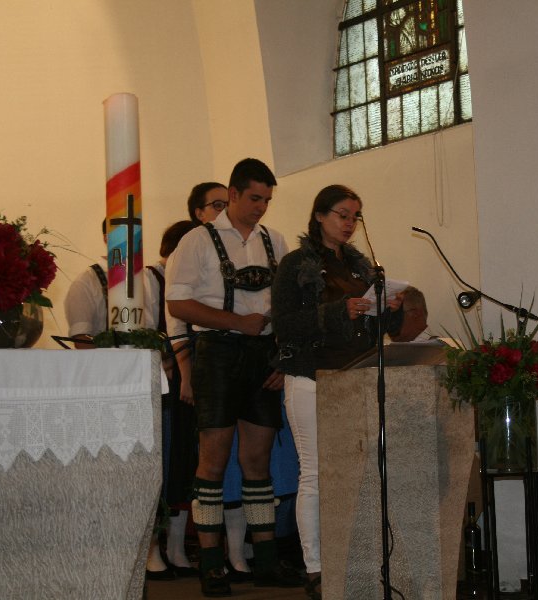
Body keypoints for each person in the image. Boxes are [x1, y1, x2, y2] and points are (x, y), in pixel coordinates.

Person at [166, 158, 301, 597]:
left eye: (267, 200)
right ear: (234, 193)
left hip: (263, 355)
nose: (261, 207)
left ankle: (266, 561)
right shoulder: (196, 240)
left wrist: (282, 357)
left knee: (257, 462)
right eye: (254, 198)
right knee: (213, 460)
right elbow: (178, 305)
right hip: (217, 352)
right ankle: (211, 564)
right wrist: (235, 321)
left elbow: (289, 305)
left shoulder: (274, 240)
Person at [271, 184, 404, 600]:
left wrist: (390, 312)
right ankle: (315, 566)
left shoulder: (362, 268)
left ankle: (355, 557)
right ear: (320, 216)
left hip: (354, 377)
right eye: (342, 215)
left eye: (355, 217)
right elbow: (284, 324)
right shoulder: (295, 264)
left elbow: (374, 330)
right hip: (310, 377)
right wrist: (336, 310)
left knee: (357, 470)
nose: (349, 224)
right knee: (314, 472)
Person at [142, 220, 200, 581]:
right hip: (165, 380)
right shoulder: (151, 278)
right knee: (164, 464)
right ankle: (151, 549)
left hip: (190, 375)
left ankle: (177, 547)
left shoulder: (195, 284)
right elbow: (146, 329)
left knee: (185, 463)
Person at [64, 220, 109, 348]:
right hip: (105, 360)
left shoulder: (144, 279)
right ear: (106, 238)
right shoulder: (85, 282)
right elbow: (81, 341)